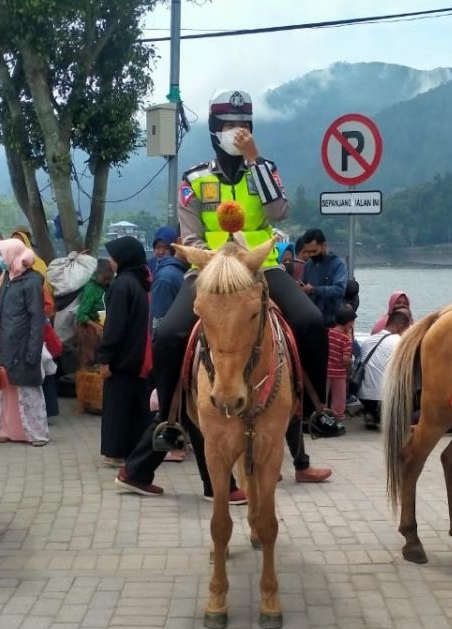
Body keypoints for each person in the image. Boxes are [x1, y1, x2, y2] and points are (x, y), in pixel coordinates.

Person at [116, 88, 333, 498]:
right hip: (212, 273)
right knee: (168, 335)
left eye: (245, 125)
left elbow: (279, 213)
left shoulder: (264, 170)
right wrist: (220, 262)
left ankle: (317, 413)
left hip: (262, 268)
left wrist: (255, 159)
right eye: (231, 126)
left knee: (310, 321)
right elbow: (192, 237)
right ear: (215, 131)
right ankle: (169, 420)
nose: (239, 131)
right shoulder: (195, 179)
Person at [95, 236, 152, 467]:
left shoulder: (122, 285)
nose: (110, 261)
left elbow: (114, 326)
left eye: (113, 256)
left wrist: (105, 358)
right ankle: (134, 450)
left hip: (122, 358)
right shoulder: (140, 281)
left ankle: (115, 451)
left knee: (117, 407)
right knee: (136, 408)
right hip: (138, 356)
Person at [0, 239, 49, 446]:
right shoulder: (8, 277)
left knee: (28, 390)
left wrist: (34, 350)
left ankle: (36, 433)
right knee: (5, 389)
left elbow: (36, 319)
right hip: (5, 343)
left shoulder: (32, 282)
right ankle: (6, 429)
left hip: (24, 344)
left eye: (3, 254)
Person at [356, 308, 411, 429]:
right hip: (384, 398)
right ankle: (384, 416)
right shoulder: (399, 341)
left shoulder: (368, 340)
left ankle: (370, 414)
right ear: (400, 326)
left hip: (363, 396)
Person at [297, 229, 349, 328]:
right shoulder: (308, 265)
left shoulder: (338, 264)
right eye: (308, 252)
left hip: (332, 323)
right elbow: (304, 285)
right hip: (313, 322)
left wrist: (313, 290)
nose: (311, 255)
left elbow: (340, 289)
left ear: (324, 245)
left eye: (314, 251)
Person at [76, 259, 113, 369]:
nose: (107, 281)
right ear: (99, 273)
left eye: (109, 279)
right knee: (88, 361)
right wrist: (95, 326)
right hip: (88, 328)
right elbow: (82, 314)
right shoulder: (91, 288)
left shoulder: (108, 286)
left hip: (103, 323)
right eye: (105, 279)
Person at [150, 232, 187, 334]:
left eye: (165, 248)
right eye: (157, 248)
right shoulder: (165, 277)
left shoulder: (177, 271)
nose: (161, 252)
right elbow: (158, 321)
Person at [327, 306, 356, 421]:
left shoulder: (328, 332)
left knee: (324, 394)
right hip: (339, 373)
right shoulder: (346, 340)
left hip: (327, 370)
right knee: (339, 397)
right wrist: (350, 363)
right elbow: (345, 359)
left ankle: (321, 412)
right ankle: (337, 415)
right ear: (349, 323)